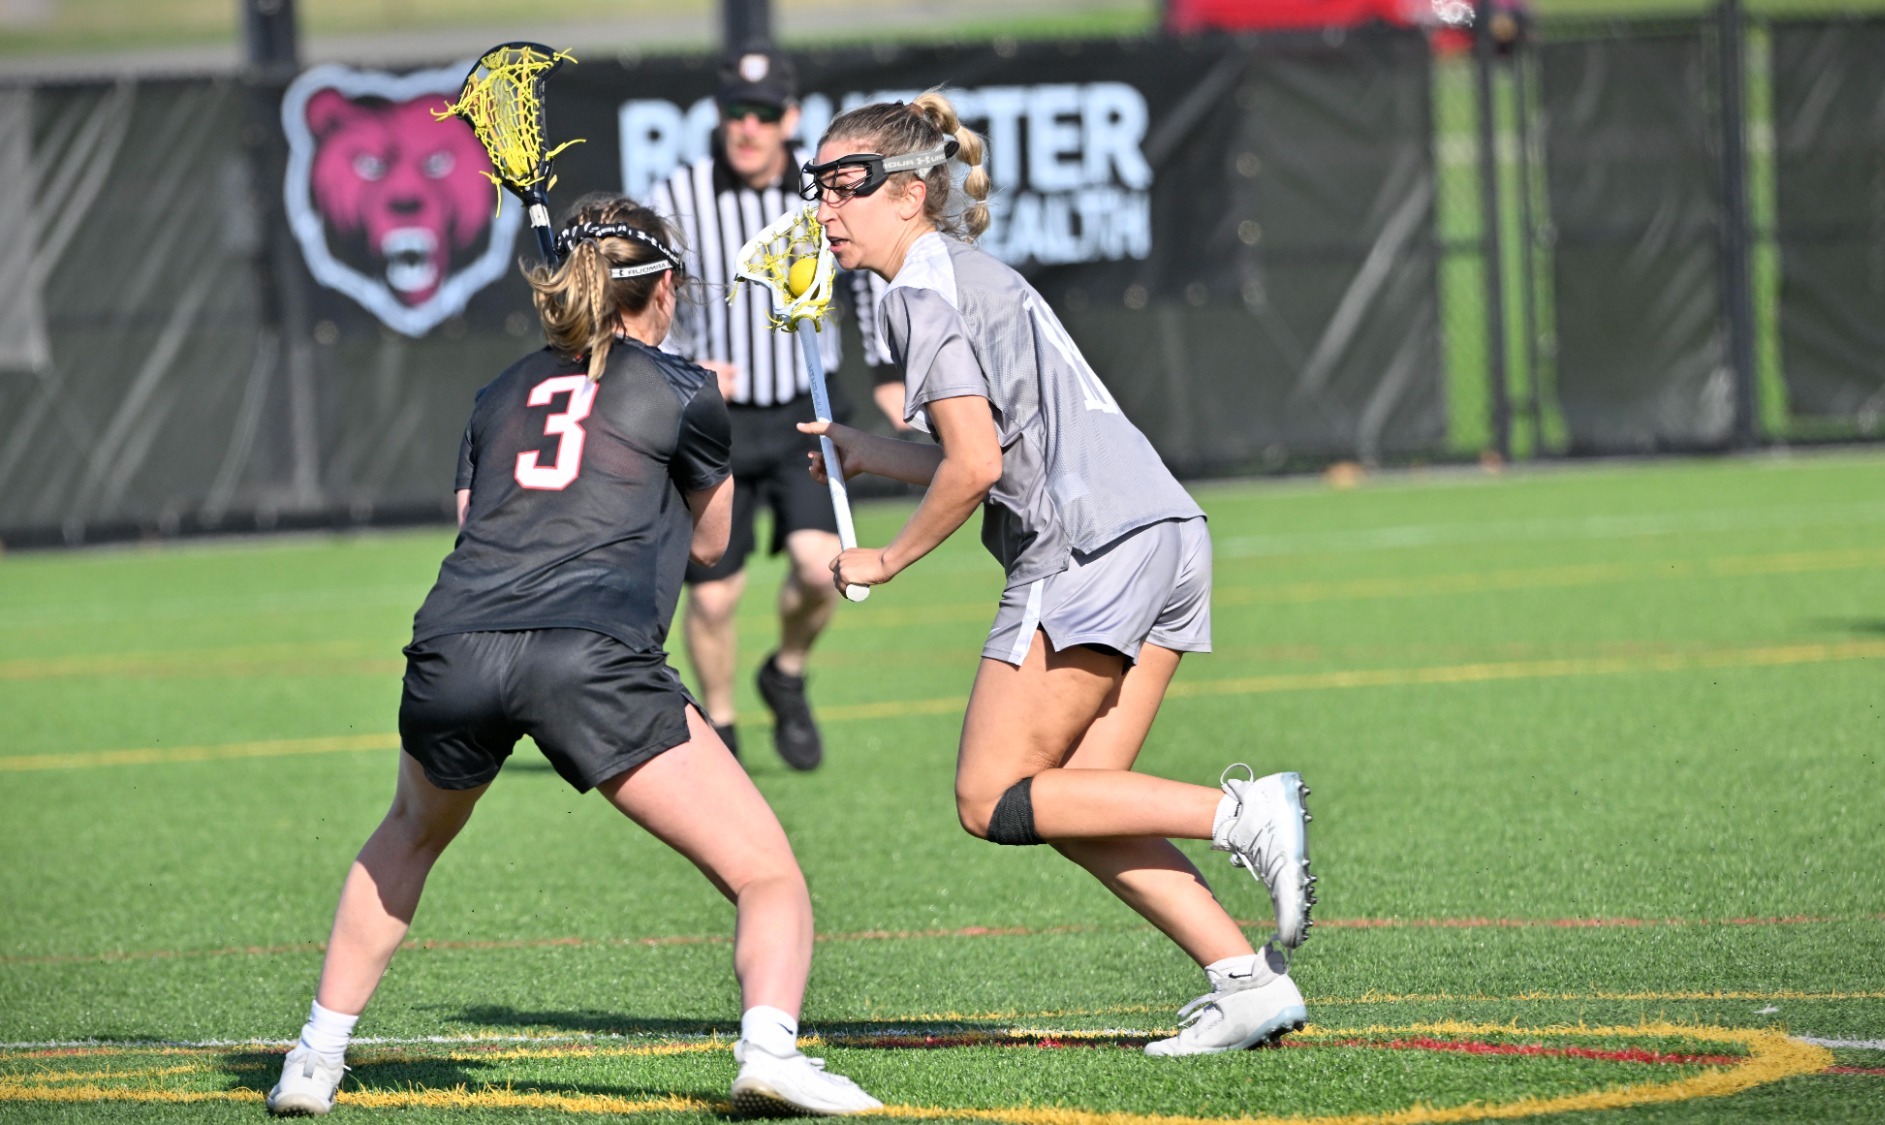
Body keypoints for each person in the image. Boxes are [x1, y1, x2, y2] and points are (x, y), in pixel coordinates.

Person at [265, 195, 880, 1117]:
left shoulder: (497, 391)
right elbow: (714, 546)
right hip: (589, 655)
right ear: (664, 286)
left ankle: (312, 1059)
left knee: (408, 833)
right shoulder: (683, 387)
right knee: (766, 873)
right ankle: (770, 1051)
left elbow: (478, 524)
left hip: (453, 646)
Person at [797, 93, 1319, 1057]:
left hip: (1087, 547)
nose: (824, 209)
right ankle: (1243, 982)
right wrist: (875, 450)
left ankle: (1239, 812)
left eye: (845, 186)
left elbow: (977, 468)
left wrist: (889, 557)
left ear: (910, 194)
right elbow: (986, 441)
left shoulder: (916, 290)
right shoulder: (955, 271)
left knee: (990, 796)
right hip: (1162, 530)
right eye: (815, 186)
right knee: (1077, 796)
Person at [647, 43, 885, 770]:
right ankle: (718, 725)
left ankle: (785, 672)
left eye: (762, 114)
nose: (747, 128)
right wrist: (682, 370)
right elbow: (641, 304)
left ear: (790, 118)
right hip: (713, 418)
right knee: (714, 599)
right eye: (733, 113)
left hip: (803, 411)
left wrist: (886, 368)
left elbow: (870, 272)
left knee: (823, 571)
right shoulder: (677, 196)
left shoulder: (824, 195)